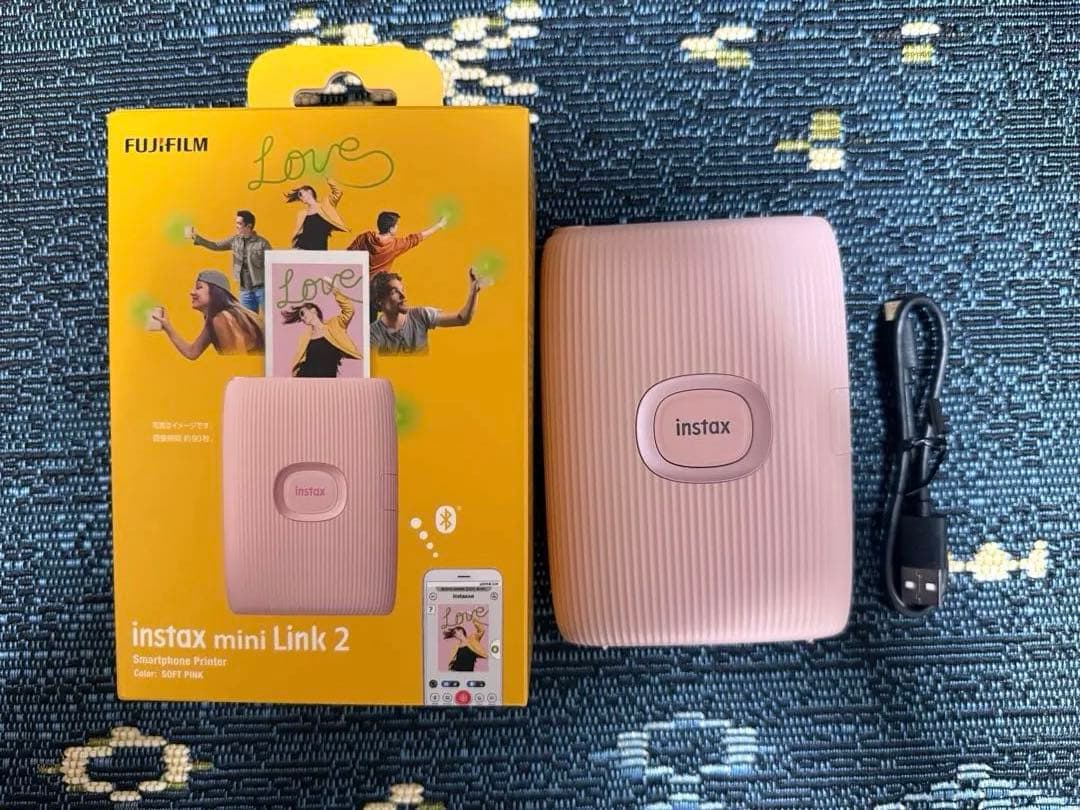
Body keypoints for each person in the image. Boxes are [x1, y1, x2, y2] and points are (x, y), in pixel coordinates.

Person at [153, 270, 264, 359]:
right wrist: (167, 327)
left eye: (199, 287)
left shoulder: (222, 318)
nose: (192, 292)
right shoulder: (217, 318)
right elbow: (192, 353)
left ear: (215, 292)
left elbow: (234, 361)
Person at [369, 268, 482, 355]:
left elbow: (462, 319)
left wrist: (474, 291)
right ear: (380, 301)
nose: (403, 295)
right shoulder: (372, 334)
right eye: (394, 292)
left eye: (402, 290)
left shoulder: (420, 315)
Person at [188, 210, 271, 313]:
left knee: (270, 317)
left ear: (249, 226)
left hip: (262, 289)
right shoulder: (235, 240)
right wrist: (197, 238)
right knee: (248, 320)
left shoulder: (262, 243)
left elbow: (271, 265)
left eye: (239, 223)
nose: (236, 226)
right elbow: (216, 246)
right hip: (245, 290)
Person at [280, 278, 364, 377]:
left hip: (328, 381)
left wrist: (336, 291)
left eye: (302, 313)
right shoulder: (305, 337)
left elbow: (349, 310)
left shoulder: (334, 325)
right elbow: (300, 361)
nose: (302, 318)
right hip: (305, 379)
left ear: (313, 310)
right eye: (300, 317)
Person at [347, 211, 447, 276]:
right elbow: (418, 237)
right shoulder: (395, 246)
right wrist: (439, 225)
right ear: (391, 229)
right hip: (376, 289)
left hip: (357, 283)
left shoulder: (365, 237)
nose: (397, 227)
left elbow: (348, 254)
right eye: (396, 225)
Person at [286, 178, 348, 250]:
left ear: (309, 192)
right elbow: (298, 233)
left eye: (301, 194)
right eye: (299, 197)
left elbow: (338, 192)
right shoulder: (302, 214)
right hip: (302, 249)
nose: (300, 198)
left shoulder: (326, 205)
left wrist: (329, 179)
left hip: (320, 249)